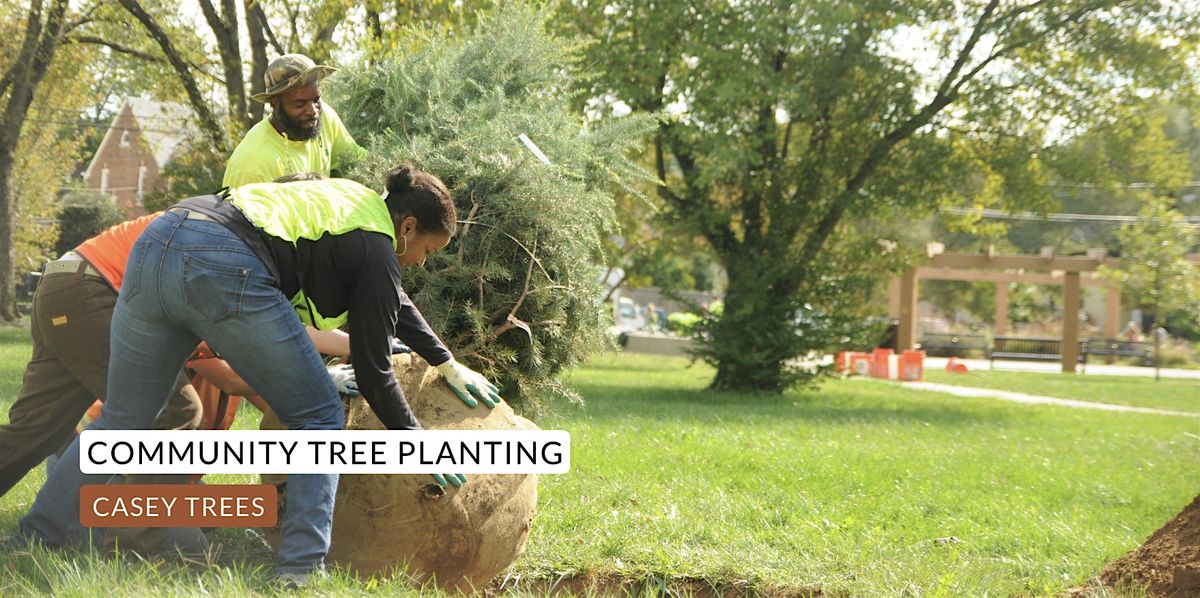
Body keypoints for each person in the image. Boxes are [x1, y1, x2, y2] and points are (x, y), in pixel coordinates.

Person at [18, 164, 501, 586]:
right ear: (408, 226)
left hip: (159, 243)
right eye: (428, 250)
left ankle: (33, 541)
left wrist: (443, 360)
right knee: (318, 415)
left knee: (122, 420)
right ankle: (302, 569)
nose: (421, 262)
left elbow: (391, 299)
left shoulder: (351, 205)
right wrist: (417, 443)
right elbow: (375, 373)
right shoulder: (376, 243)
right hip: (219, 260)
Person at [223, 54, 367, 189]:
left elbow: (356, 162)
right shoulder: (254, 163)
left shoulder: (325, 117)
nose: (312, 111)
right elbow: (245, 215)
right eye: (300, 104)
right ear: (274, 103)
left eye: (316, 100)